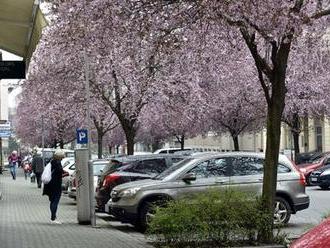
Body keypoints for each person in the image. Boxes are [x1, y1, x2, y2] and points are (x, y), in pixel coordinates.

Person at [42, 150, 68, 224]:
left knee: (52, 200)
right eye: (62, 157)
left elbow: (59, 171)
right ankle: (53, 218)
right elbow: (59, 173)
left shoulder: (52, 161)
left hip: (49, 185)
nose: (62, 158)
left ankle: (53, 217)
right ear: (59, 157)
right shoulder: (57, 163)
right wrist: (65, 174)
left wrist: (63, 172)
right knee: (55, 201)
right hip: (55, 185)